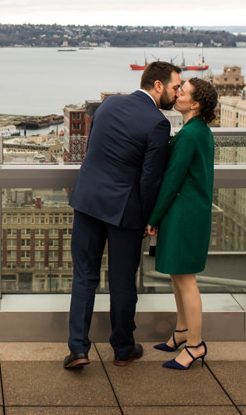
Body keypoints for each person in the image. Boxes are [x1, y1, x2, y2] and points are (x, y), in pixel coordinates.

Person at [64, 61, 182, 369]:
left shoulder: (109, 104)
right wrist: (148, 219)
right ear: (158, 86)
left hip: (88, 200)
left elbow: (93, 149)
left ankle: (78, 348)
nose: (177, 93)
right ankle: (122, 347)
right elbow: (150, 178)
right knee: (121, 282)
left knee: (84, 277)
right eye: (174, 87)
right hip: (124, 209)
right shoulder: (158, 124)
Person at [146, 77, 218, 370]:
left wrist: (153, 218)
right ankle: (182, 332)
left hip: (184, 213)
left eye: (183, 92)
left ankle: (195, 346)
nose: (177, 95)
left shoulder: (190, 135)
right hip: (188, 210)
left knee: (186, 281)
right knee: (179, 276)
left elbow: (173, 178)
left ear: (196, 103)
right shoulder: (197, 130)